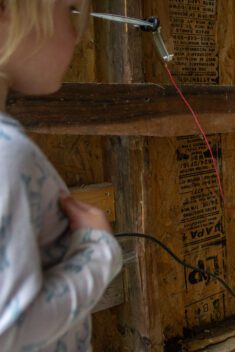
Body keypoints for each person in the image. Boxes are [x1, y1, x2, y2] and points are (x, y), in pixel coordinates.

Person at [0, 1, 122, 350]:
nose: (78, 35)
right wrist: (98, 253)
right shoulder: (7, 155)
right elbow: (11, 330)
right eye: (69, 10)